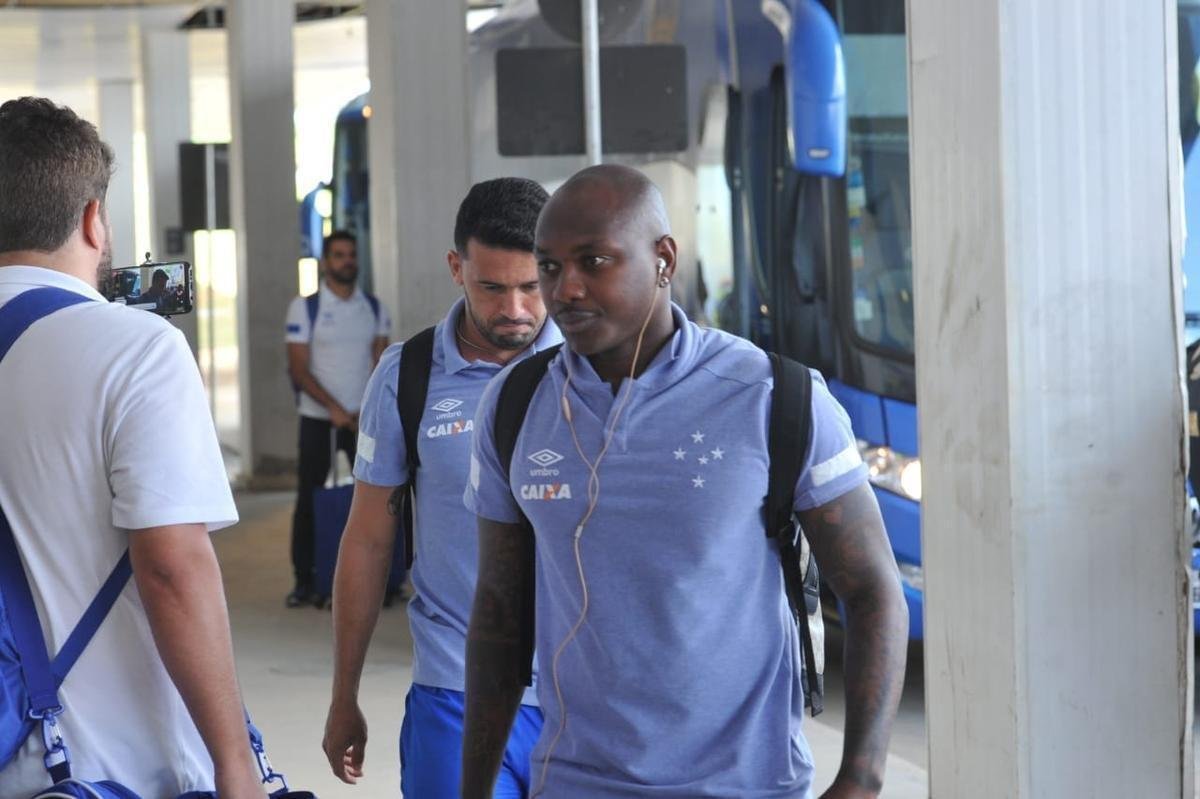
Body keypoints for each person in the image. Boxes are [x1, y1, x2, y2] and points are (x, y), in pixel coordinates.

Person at [461, 165, 909, 799]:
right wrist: (473, 791)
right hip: (576, 783)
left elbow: (871, 590)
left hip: (747, 786)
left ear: (663, 258)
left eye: (594, 261)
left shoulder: (774, 397)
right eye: (552, 267)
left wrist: (861, 778)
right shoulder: (516, 408)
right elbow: (501, 616)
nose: (566, 290)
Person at [0, 97, 264, 797]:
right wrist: (237, 766)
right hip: (102, 764)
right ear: (95, 220)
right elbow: (174, 567)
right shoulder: (135, 348)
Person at [321, 178, 559, 797]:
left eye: (533, 287)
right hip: (456, 692)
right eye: (493, 287)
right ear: (457, 268)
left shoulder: (595, 370)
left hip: (586, 697)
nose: (515, 309)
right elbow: (369, 540)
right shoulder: (409, 375)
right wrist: (344, 691)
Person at [284, 230, 391, 607]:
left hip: (363, 421)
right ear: (326, 262)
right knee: (310, 499)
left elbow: (380, 364)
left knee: (375, 500)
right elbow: (298, 369)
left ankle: (382, 582)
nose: (347, 261)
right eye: (339, 255)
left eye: (351, 255)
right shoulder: (306, 308)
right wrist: (332, 407)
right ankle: (305, 581)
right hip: (319, 419)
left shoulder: (374, 308)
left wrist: (365, 409)